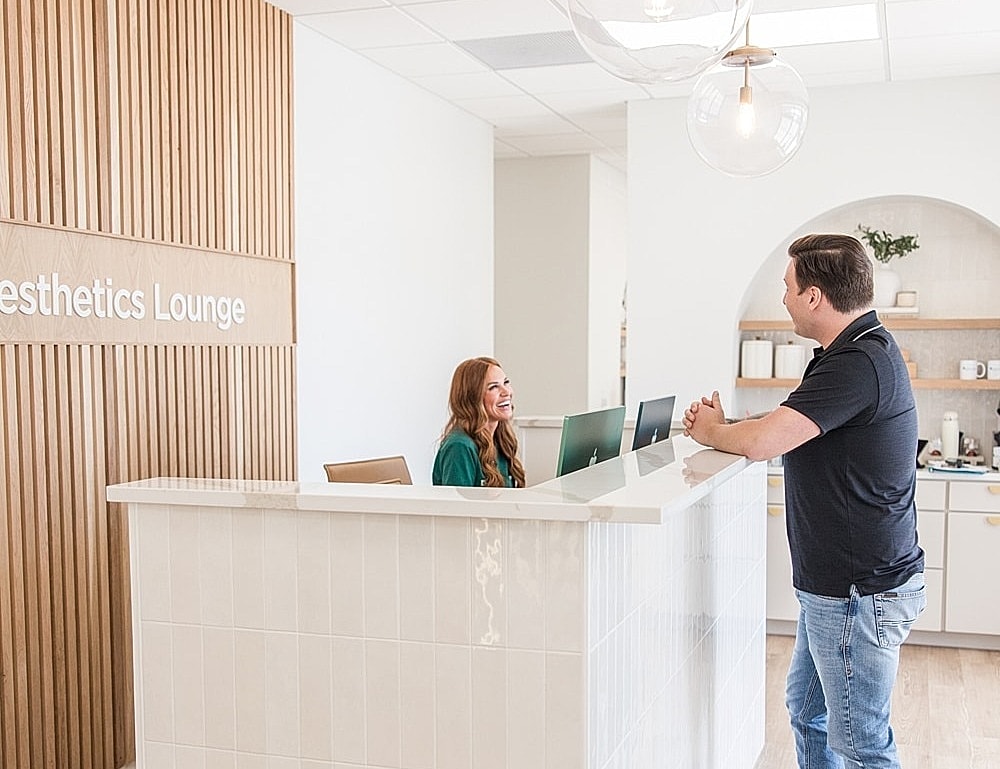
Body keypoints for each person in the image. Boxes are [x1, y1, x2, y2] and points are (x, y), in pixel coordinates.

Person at [682, 233, 925, 769]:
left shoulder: (857, 361)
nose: (784, 298)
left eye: (788, 287)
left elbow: (766, 441)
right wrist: (731, 426)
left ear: (814, 296)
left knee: (861, 744)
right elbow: (789, 425)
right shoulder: (851, 352)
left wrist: (712, 431)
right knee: (808, 710)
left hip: (857, 592)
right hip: (841, 588)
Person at [433, 356, 526, 488]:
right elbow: (457, 501)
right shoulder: (460, 447)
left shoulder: (500, 440)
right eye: (493, 387)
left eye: (506, 382)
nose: (506, 392)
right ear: (472, 398)